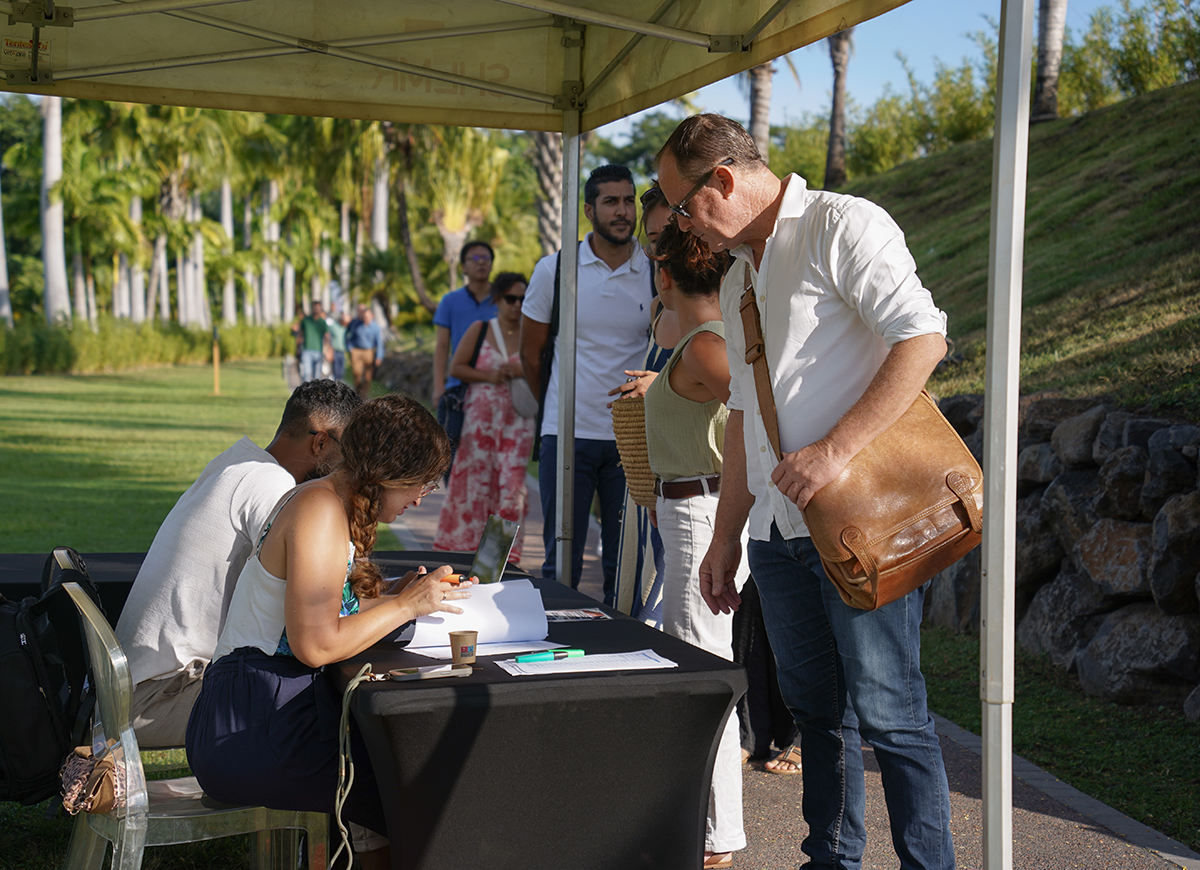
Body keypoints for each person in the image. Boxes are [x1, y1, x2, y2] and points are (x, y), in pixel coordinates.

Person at [659, 114, 954, 869]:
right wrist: (727, 537)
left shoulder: (842, 224)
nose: (683, 225)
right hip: (778, 541)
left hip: (861, 525)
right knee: (818, 716)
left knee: (893, 715)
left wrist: (834, 451)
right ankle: (831, 858)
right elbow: (746, 422)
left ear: (721, 179)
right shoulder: (739, 277)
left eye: (683, 206)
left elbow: (922, 337)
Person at [186, 394, 470, 870]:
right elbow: (315, 644)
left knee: (403, 771)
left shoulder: (325, 503)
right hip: (251, 727)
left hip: (260, 713)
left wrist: (398, 601)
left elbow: (315, 618)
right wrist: (402, 605)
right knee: (413, 783)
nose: (422, 498)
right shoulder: (319, 511)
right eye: (421, 484)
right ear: (387, 475)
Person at [115, 379, 363, 747]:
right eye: (349, 454)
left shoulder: (238, 461)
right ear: (321, 442)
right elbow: (321, 608)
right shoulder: (273, 486)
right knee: (331, 709)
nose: (348, 468)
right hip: (158, 697)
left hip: (135, 687)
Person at [643, 221, 746, 869]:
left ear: (664, 275)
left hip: (700, 516)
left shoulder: (708, 344)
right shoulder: (700, 338)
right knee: (695, 668)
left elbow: (758, 416)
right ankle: (710, 832)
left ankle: (716, 838)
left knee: (701, 677)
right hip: (691, 513)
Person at [520, 165, 653, 605]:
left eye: (628, 200)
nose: (622, 212)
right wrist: (558, 406)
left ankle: (622, 652)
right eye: (610, 202)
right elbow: (530, 353)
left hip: (633, 436)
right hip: (567, 434)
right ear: (588, 210)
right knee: (562, 558)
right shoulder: (556, 269)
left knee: (627, 556)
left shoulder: (655, 269)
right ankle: (553, 640)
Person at [608, 182, 679, 626]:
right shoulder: (657, 308)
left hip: (696, 486)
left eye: (672, 235)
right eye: (653, 241)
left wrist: (664, 387)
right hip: (650, 482)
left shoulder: (725, 308)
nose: (663, 251)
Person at [433, 273, 535, 561]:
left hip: (518, 423)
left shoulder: (532, 331)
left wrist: (521, 371)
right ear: (497, 300)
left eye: (523, 299)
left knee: (512, 487)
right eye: (511, 299)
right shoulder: (481, 329)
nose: (517, 305)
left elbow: (547, 372)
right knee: (475, 487)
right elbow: (457, 368)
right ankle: (467, 552)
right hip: (481, 423)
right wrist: (490, 375)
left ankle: (504, 555)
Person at [433, 240, 497, 472]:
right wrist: (438, 386)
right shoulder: (450, 301)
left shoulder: (505, 301)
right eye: (475, 259)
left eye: (486, 259)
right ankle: (456, 504)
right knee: (448, 454)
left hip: (496, 387)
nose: (481, 264)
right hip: (457, 389)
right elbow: (441, 346)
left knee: (491, 455)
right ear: (464, 267)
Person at [346, 303, 385, 398]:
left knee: (368, 376)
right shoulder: (356, 324)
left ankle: (364, 395)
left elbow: (379, 343)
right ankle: (357, 391)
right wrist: (349, 347)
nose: (365, 318)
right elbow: (347, 336)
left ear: (372, 316)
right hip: (356, 351)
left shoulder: (375, 327)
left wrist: (379, 356)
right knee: (356, 372)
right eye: (364, 316)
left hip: (368, 351)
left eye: (367, 317)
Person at [296, 300, 331, 382]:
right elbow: (300, 334)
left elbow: (326, 336)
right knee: (306, 374)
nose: (316, 309)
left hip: (318, 351)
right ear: (312, 308)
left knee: (317, 376)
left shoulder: (322, 322)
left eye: (318, 308)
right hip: (307, 350)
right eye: (315, 307)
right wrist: (298, 346)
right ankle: (305, 393)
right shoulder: (306, 320)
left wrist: (328, 349)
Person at [328, 307, 349, 383]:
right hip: (335, 351)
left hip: (342, 351)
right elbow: (328, 337)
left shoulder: (346, 328)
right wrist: (329, 351)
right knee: (336, 371)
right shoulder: (333, 326)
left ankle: (339, 385)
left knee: (341, 372)